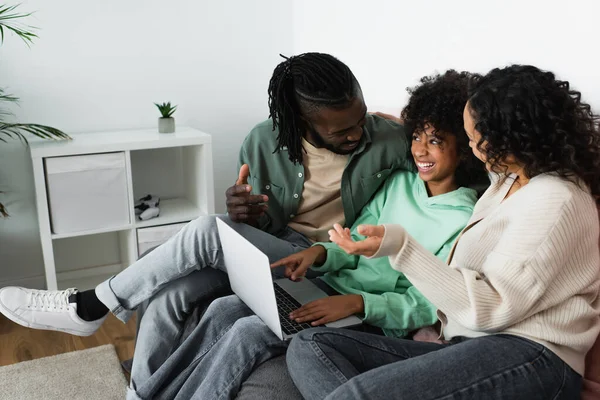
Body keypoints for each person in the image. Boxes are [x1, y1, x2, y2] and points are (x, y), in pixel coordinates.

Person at [0, 51, 411, 385]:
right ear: (303, 121)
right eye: (342, 131)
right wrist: (243, 213)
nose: (357, 134)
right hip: (278, 247)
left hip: (325, 259)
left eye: (360, 119)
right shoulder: (263, 140)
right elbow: (262, 227)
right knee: (166, 296)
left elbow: (434, 176)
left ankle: (92, 304)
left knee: (204, 230)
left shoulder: (390, 141)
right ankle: (138, 392)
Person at [123, 70, 489, 399]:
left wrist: (358, 304)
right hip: (329, 287)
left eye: (436, 141)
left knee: (249, 333)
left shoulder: (464, 218)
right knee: (223, 309)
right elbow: (350, 242)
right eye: (417, 137)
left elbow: (430, 301)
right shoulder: (399, 183)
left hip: (367, 318)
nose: (420, 150)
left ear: (466, 150)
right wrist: (320, 254)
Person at [286, 64, 600, 400]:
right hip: (470, 345)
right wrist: (407, 130)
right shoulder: (509, 181)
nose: (470, 144)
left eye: (472, 136)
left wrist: (400, 246)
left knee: (360, 393)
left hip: (531, 355)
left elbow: (491, 310)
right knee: (309, 346)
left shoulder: (554, 199)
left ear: (508, 137)